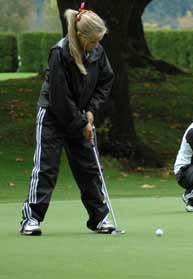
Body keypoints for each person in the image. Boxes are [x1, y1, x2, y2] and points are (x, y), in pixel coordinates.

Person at [20, 5, 115, 236]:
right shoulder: (60, 53)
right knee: (46, 166)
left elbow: (105, 81)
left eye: (98, 41)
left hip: (80, 115)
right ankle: (31, 218)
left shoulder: (98, 52)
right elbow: (59, 98)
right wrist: (82, 124)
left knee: (90, 168)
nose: (96, 46)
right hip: (53, 115)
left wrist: (91, 111)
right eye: (93, 41)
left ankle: (100, 217)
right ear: (81, 36)